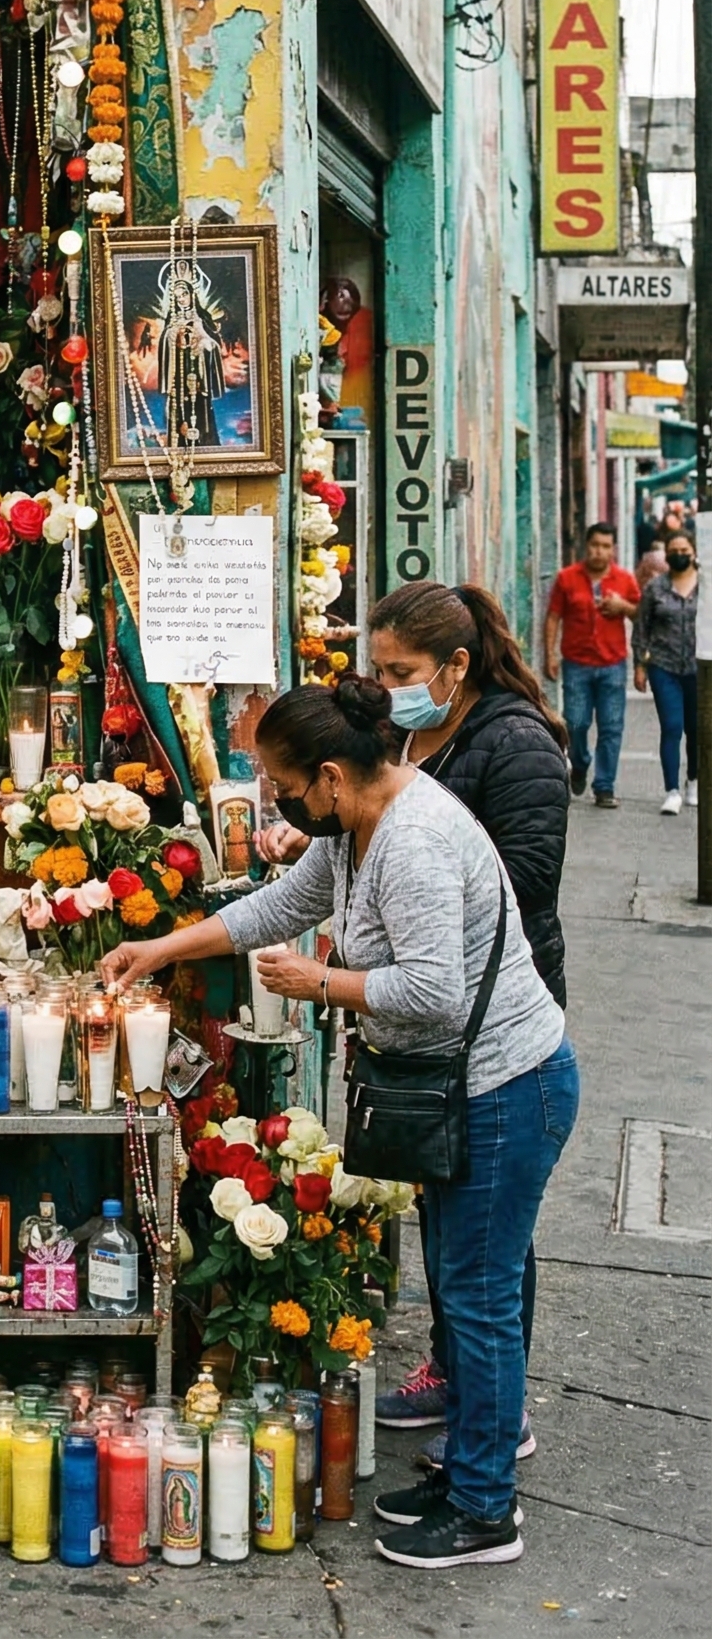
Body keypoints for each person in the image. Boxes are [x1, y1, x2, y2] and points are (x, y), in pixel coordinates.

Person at [105, 676, 575, 1570]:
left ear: (329, 774)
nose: (278, 800)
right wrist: (166, 944)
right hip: (464, 1088)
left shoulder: (415, 841)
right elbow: (278, 907)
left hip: (508, 1085)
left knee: (478, 1295)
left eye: (283, 784)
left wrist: (320, 984)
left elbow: (433, 993)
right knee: (461, 1284)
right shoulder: (356, 825)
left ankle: (485, 1510)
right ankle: (469, 1475)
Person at [352, 578, 570, 1448]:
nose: (384, 684)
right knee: (456, 1218)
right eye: (377, 667)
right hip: (438, 1027)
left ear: (455, 665)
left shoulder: (514, 742)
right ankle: (465, 1382)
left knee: (488, 1237)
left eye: (399, 668)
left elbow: (529, 873)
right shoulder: (411, 729)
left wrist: (416, 892)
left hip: (499, 1013)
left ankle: (491, 1414)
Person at [542, 522, 639, 806]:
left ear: (613, 549)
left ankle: (605, 786)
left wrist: (625, 607)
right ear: (587, 546)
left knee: (611, 726)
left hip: (613, 663)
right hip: (577, 663)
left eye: (606, 546)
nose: (600, 551)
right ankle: (581, 762)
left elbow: (641, 617)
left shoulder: (624, 580)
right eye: (595, 545)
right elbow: (553, 617)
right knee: (575, 722)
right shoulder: (567, 578)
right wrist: (550, 654)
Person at [633, 527, 700, 816]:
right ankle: (671, 790)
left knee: (696, 730)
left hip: (700, 668)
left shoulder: (707, 585)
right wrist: (639, 664)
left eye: (685, 551)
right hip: (664, 666)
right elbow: (641, 626)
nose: (680, 556)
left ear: (694, 553)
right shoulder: (656, 588)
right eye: (675, 551)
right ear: (667, 555)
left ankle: (694, 781)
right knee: (672, 727)